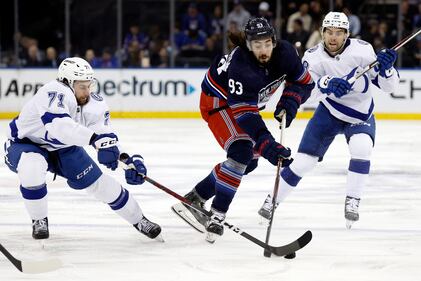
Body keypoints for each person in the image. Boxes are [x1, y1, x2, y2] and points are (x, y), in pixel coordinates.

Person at [258, 12, 399, 229]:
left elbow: (390, 87)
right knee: (304, 162)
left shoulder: (363, 50)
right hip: (329, 113)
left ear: (347, 35)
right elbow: (306, 94)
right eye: (329, 32)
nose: (333, 38)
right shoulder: (312, 57)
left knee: (362, 148)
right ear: (322, 33)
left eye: (339, 33)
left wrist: (387, 69)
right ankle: (273, 199)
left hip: (360, 114)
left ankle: (353, 200)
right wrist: (325, 84)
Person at [178, 17, 314, 242]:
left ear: (274, 41)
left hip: (242, 105)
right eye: (257, 45)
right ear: (248, 45)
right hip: (217, 103)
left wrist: (289, 101)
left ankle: (195, 197)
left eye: (268, 44)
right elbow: (247, 116)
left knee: (248, 163)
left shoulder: (286, 53)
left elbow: (304, 83)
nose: (264, 50)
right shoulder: (241, 66)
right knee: (241, 152)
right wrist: (267, 144)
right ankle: (217, 215)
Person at [3, 57, 162, 240]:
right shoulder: (52, 92)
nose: (87, 91)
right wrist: (94, 140)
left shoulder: (94, 102)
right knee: (32, 165)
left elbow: (104, 133)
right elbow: (59, 126)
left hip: (64, 149)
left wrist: (127, 159)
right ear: (67, 82)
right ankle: (39, 220)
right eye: (81, 86)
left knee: (101, 184)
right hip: (25, 144)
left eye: (89, 85)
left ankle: (139, 220)